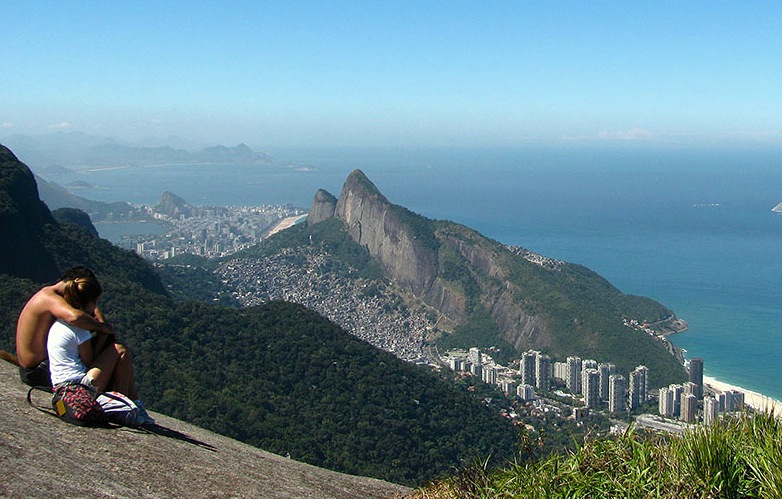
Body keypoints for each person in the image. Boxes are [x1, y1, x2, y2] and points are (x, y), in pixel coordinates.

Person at [46, 273, 153, 424]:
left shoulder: (59, 324)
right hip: (79, 385)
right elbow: (89, 361)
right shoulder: (79, 329)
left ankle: (127, 402)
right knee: (120, 350)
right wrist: (103, 336)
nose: (96, 306)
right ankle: (124, 403)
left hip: (61, 387)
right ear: (89, 303)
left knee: (118, 351)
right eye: (95, 302)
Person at [16, 266, 115, 388]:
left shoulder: (51, 294)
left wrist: (100, 319)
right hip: (37, 371)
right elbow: (75, 317)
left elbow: (90, 308)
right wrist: (100, 327)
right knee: (109, 350)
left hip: (34, 368)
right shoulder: (49, 298)